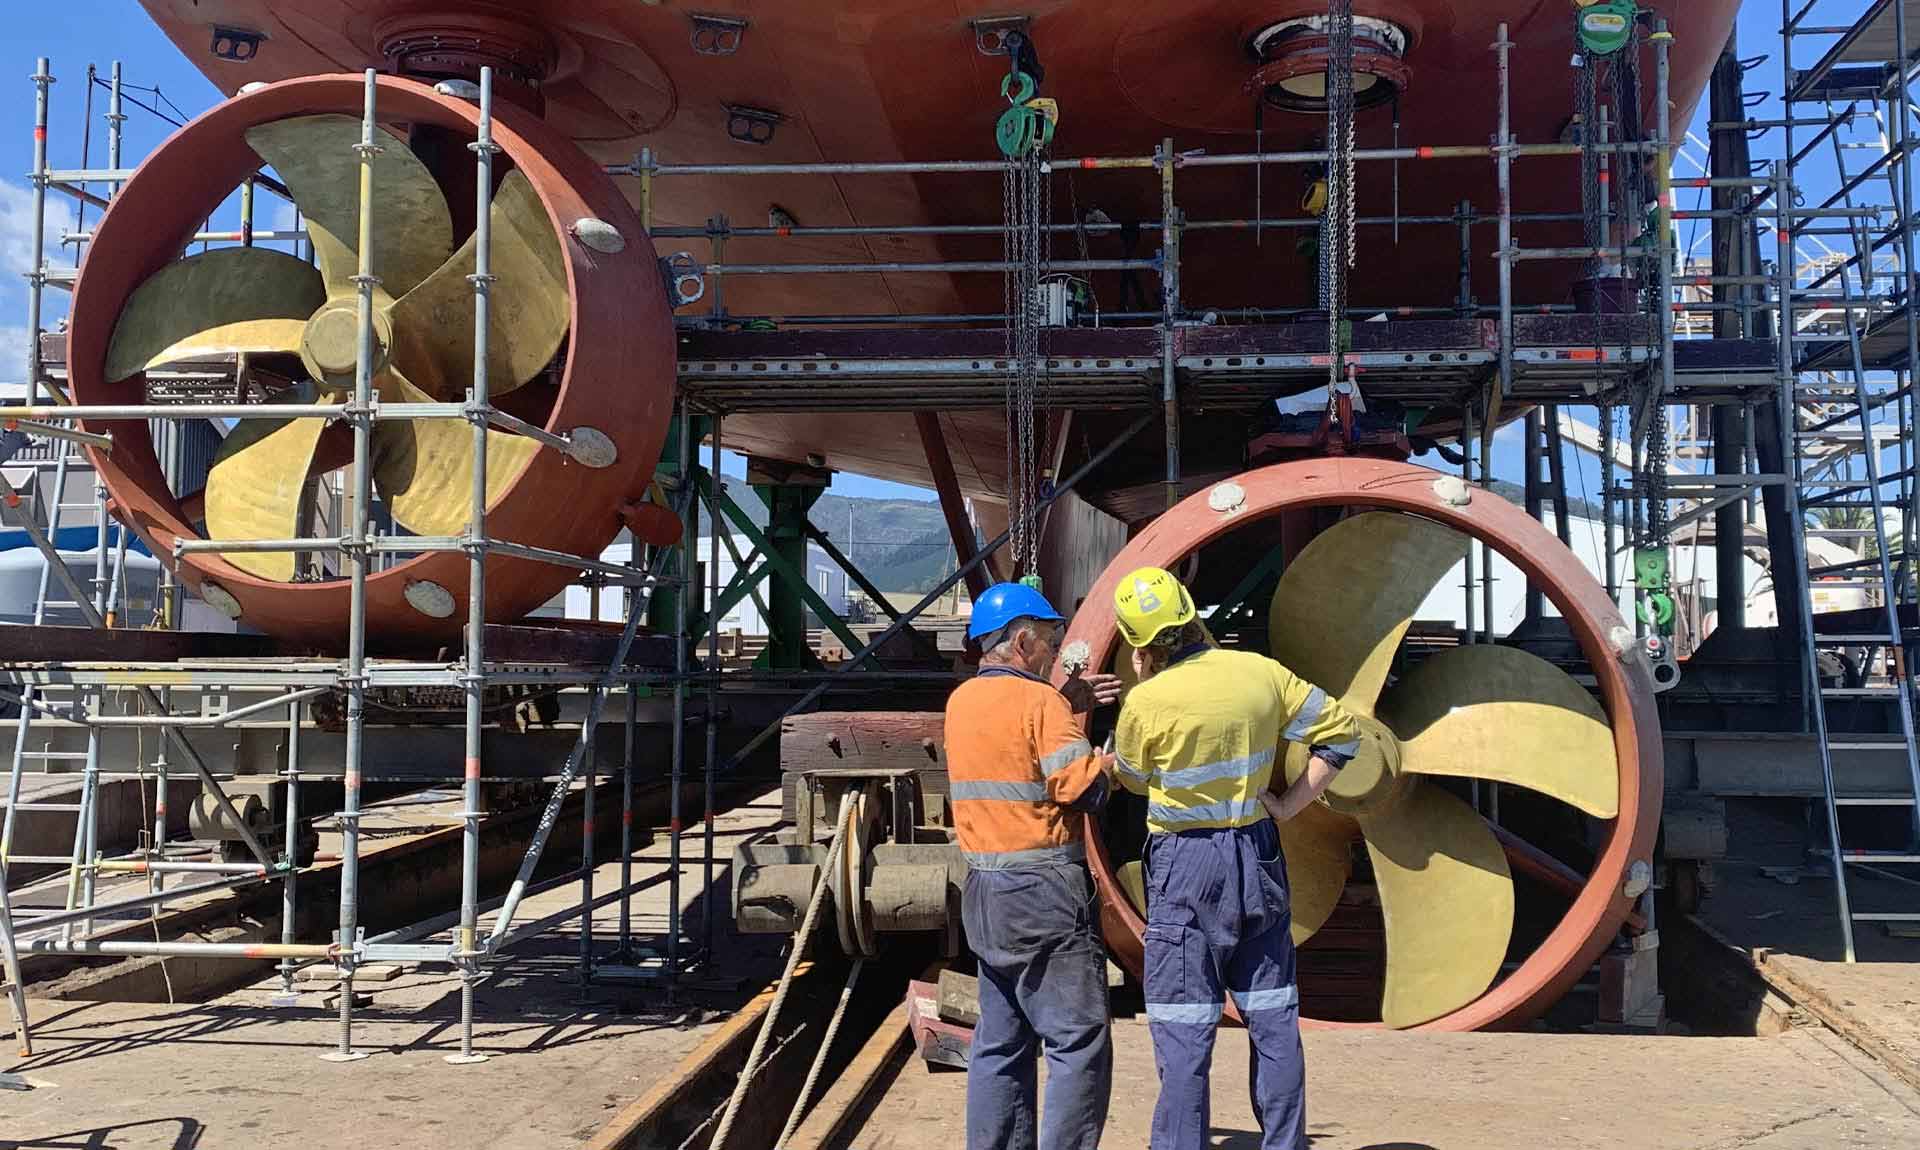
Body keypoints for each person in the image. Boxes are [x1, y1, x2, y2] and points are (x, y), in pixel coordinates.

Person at [1109, 566, 1360, 1150]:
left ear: (1141, 648)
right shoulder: (1261, 674)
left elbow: (1134, 780)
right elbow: (1343, 735)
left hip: (1184, 864)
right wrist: (1292, 804)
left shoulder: (1145, 701)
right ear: (1192, 615)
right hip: (1257, 852)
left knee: (1184, 1028)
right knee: (1273, 1019)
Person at [946, 581, 1123, 1150]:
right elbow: (1083, 791)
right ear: (1021, 642)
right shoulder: (1040, 703)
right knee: (1077, 1040)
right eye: (1047, 639)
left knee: (1000, 1041)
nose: (1052, 650)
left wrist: (1066, 704)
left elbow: (1010, 752)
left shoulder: (962, 701)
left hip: (984, 889)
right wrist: (1109, 764)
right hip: (1042, 893)